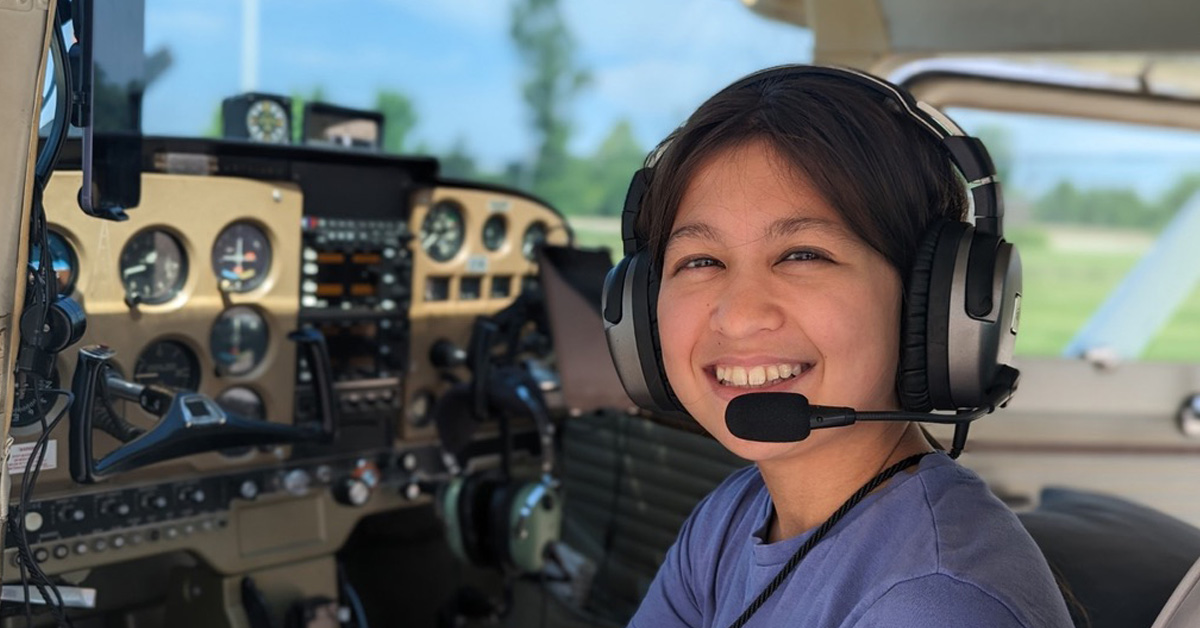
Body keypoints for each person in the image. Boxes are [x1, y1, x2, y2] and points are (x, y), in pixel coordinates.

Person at [604, 65, 1075, 627]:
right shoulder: (731, 518)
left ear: (932, 306)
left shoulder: (935, 603)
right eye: (700, 262)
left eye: (803, 255)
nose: (739, 315)